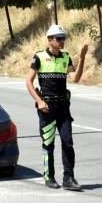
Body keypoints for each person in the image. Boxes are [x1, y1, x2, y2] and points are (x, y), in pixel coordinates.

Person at [26, 25, 88, 191]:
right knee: (49, 144)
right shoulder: (39, 57)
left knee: (68, 142)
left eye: (63, 38)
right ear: (50, 40)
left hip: (63, 107)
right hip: (47, 108)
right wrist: (39, 101)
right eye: (59, 38)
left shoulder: (66, 57)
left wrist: (82, 59)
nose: (62, 41)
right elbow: (28, 82)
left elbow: (75, 78)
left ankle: (69, 178)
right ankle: (49, 176)